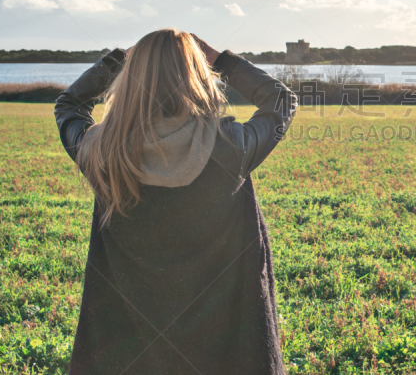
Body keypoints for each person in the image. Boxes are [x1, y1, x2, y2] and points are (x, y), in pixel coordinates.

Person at [54, 28, 297, 374]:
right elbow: (281, 100)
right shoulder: (231, 147)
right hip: (222, 345)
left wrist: (118, 60)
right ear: (198, 76)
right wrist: (223, 60)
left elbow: (69, 105)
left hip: (128, 347)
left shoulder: (101, 151)